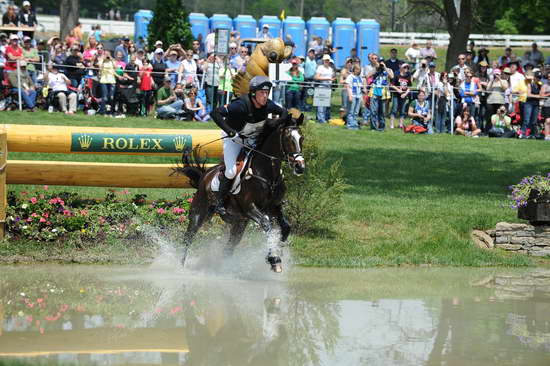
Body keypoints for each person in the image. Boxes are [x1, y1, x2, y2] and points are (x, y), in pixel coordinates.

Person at [210, 76, 286, 215]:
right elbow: (215, 113)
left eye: (267, 93)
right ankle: (219, 201)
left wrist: (278, 122)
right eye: (261, 93)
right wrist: (230, 131)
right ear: (253, 93)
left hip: (251, 139)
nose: (265, 96)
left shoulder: (268, 105)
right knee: (232, 171)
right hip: (233, 139)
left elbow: (284, 112)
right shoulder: (240, 105)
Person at [367, 56, 393, 131]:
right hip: (374, 91)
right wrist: (376, 68)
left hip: (383, 92)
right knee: (373, 110)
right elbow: (367, 75)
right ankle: (373, 127)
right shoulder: (375, 69)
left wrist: (384, 68)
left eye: (383, 62)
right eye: (380, 62)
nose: (381, 63)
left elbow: (391, 76)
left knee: (382, 111)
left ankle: (381, 127)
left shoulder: (388, 70)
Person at [520, 72, 543, 138]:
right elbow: (529, 95)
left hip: (536, 104)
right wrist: (538, 96)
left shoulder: (539, 85)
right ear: (534, 77)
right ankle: (522, 134)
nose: (538, 79)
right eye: (537, 77)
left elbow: (541, 95)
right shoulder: (530, 84)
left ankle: (532, 134)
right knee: (526, 120)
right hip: (528, 104)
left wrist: (539, 96)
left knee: (534, 121)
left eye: (539, 78)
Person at [314, 54, 335, 123]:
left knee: (325, 104)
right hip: (321, 87)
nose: (327, 61)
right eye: (325, 60)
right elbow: (316, 77)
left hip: (328, 87)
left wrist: (332, 80)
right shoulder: (320, 67)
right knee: (320, 104)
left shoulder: (330, 69)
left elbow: (332, 78)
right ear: (323, 61)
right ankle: (320, 119)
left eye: (328, 60)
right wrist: (327, 78)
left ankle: (323, 118)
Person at [390, 63, 411, 129]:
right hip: (396, 95)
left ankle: (401, 124)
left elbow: (410, 87)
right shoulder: (397, 75)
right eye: (405, 67)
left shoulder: (408, 76)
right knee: (394, 109)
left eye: (407, 68)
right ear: (401, 68)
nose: (406, 69)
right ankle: (392, 124)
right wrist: (398, 90)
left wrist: (405, 94)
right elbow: (392, 85)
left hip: (404, 95)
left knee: (402, 110)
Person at [98, 50, 117, 115]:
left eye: (108, 54)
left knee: (111, 97)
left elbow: (115, 68)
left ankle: (111, 111)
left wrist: (111, 59)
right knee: (105, 97)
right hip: (104, 80)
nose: (107, 55)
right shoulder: (101, 60)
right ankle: (103, 112)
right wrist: (103, 60)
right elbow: (99, 68)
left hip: (112, 80)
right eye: (105, 54)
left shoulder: (112, 60)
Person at [345, 64, 364, 130]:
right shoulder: (350, 77)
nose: (359, 71)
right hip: (352, 95)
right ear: (354, 69)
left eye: (360, 69)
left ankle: (354, 124)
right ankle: (350, 125)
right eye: (358, 69)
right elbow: (347, 86)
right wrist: (350, 96)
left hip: (358, 96)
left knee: (356, 111)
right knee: (351, 111)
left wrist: (361, 97)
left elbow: (360, 88)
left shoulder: (359, 78)